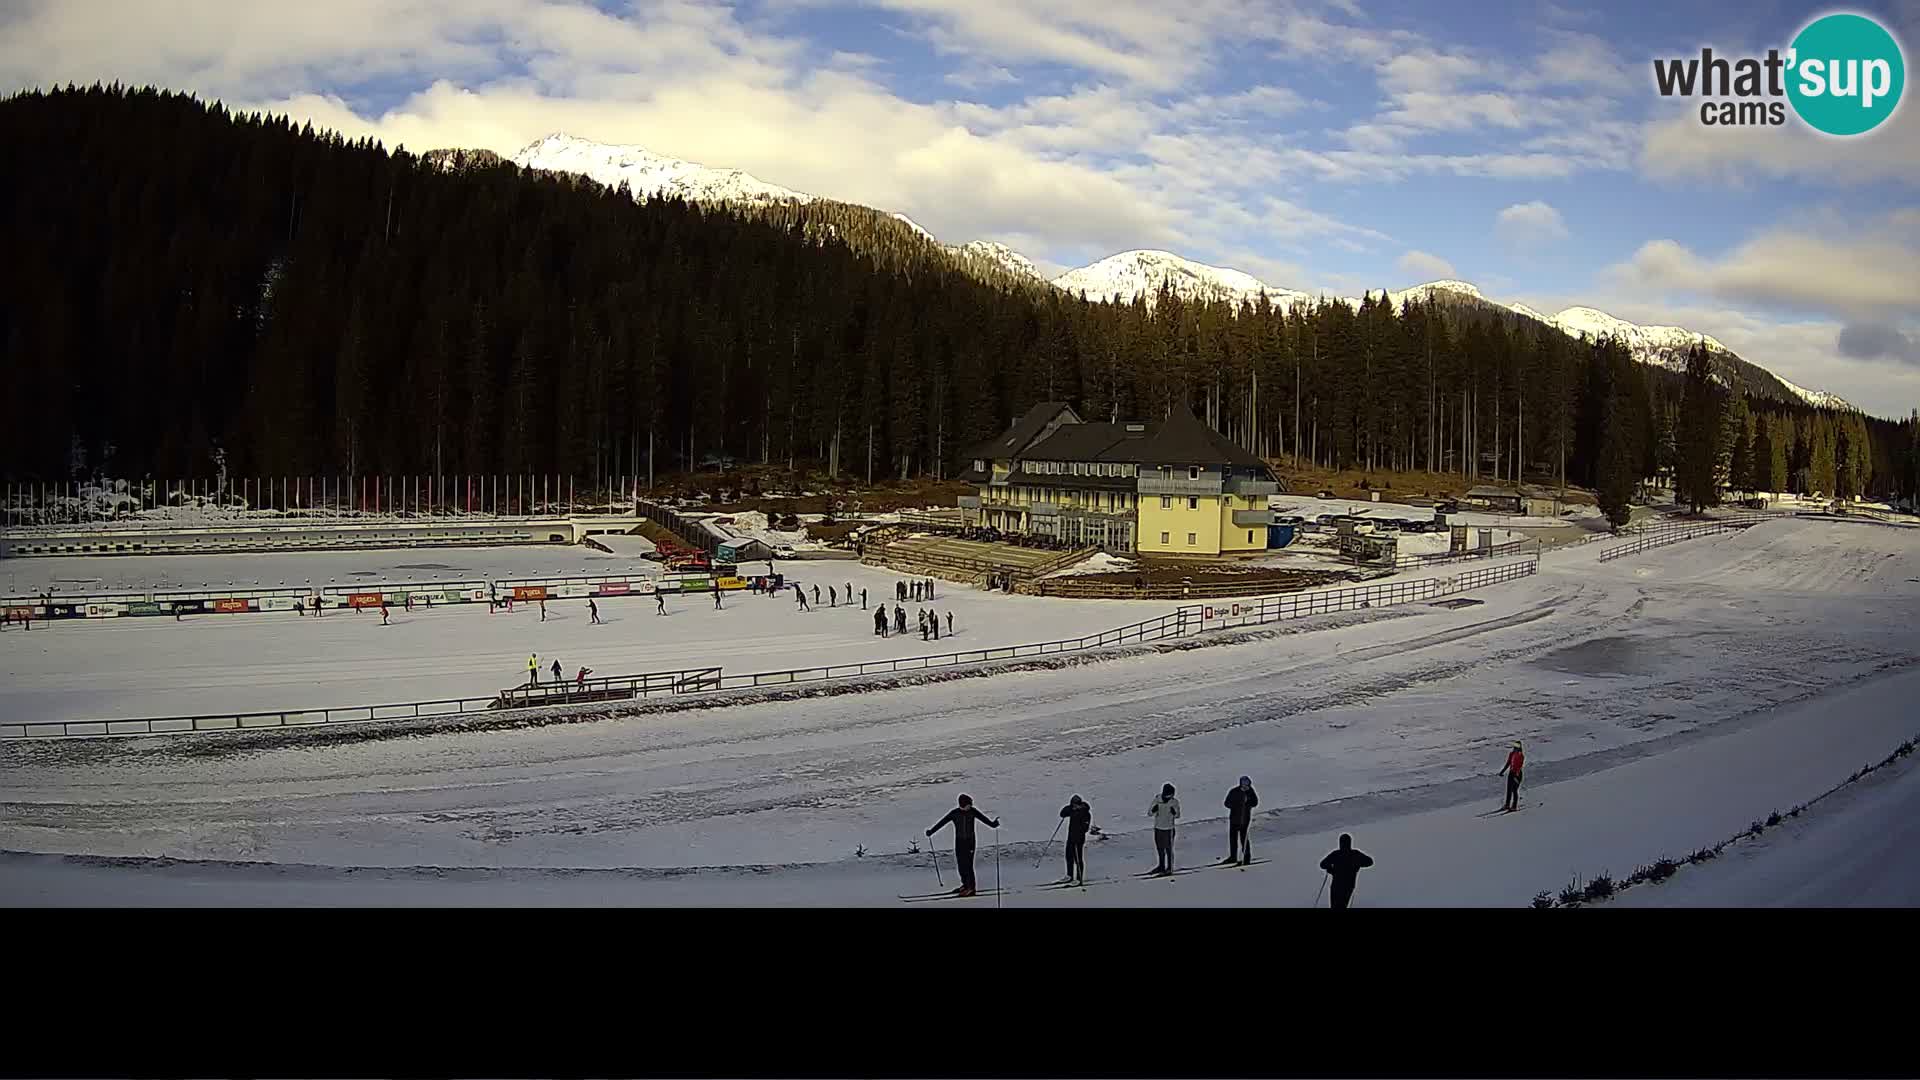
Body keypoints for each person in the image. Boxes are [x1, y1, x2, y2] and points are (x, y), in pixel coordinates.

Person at [926, 794, 1000, 897]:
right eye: (969, 804)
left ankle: (971, 888)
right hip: (959, 842)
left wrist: (994, 824)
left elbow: (985, 820)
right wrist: (931, 831)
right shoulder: (955, 813)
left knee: (968, 865)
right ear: (963, 804)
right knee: (961, 865)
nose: (970, 806)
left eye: (970, 804)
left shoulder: (973, 812)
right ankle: (965, 885)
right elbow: (942, 822)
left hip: (970, 842)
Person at [1318, 834, 1374, 909]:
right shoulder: (1355, 854)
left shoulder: (1336, 854)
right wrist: (1358, 865)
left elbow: (1322, 864)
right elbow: (1370, 862)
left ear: (1340, 843)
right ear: (1350, 842)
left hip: (1336, 886)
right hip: (1349, 886)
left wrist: (1331, 870)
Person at [1222, 776, 1258, 865]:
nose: (1246, 786)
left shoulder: (1250, 792)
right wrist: (1236, 804)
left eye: (1247, 784)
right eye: (1244, 783)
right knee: (1233, 838)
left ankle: (1246, 857)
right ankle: (1233, 857)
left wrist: (1248, 801)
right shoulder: (1234, 791)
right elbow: (1227, 803)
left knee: (1244, 838)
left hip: (1245, 819)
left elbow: (1255, 802)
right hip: (1234, 818)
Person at [1148, 784, 1181, 875]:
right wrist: (1154, 810)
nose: (1171, 796)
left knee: (1168, 849)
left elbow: (1178, 815)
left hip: (1169, 829)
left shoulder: (1174, 802)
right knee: (1160, 848)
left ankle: (1169, 868)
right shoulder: (1157, 800)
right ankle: (1161, 866)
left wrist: (1174, 812)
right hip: (1158, 828)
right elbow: (1149, 813)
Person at [1059, 795, 1092, 884]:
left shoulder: (1085, 813)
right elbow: (1062, 814)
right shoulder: (1072, 811)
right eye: (1072, 805)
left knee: (1078, 858)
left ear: (1080, 804)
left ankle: (1079, 878)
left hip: (1079, 839)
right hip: (1070, 838)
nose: (1074, 806)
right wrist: (1069, 809)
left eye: (1075, 805)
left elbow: (1085, 828)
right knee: (1069, 856)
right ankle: (1069, 876)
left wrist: (1078, 833)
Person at [1499, 741, 1525, 812]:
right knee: (1509, 790)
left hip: (1517, 774)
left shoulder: (1521, 755)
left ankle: (1514, 806)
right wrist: (1502, 771)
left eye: (1517, 746)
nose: (1515, 748)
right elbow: (1508, 763)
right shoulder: (1512, 754)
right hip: (1511, 773)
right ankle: (1507, 805)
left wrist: (1516, 776)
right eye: (1515, 746)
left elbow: (1519, 766)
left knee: (1514, 790)